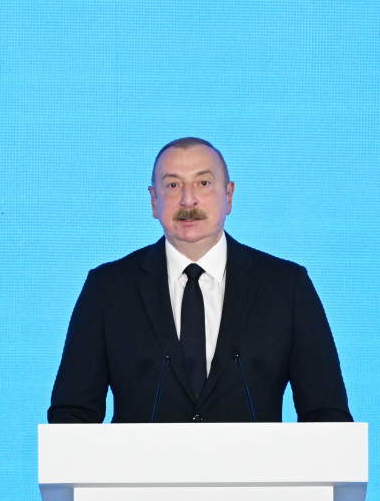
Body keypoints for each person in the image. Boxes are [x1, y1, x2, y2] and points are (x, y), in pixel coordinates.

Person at [47, 137, 352, 423]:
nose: (188, 200)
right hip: (141, 465)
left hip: (254, 464)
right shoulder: (108, 289)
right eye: (173, 185)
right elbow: (72, 413)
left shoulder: (286, 287)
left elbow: (327, 414)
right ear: (153, 201)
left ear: (228, 195)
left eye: (203, 183)